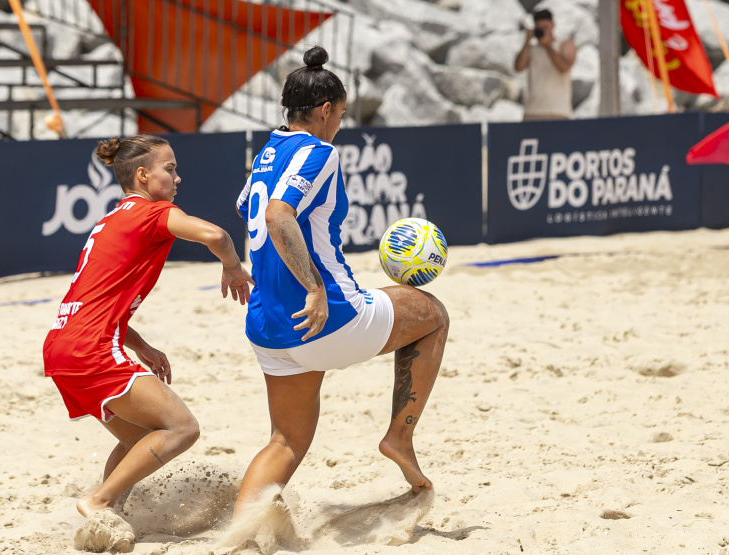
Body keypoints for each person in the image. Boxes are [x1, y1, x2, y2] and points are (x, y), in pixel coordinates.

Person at [233, 45, 449, 518]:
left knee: (285, 441)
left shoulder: (268, 150)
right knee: (433, 314)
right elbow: (276, 215)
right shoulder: (320, 151)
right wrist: (314, 288)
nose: (340, 124)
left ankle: (239, 533)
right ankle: (400, 438)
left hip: (269, 328)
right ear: (326, 110)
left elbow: (247, 208)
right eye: (342, 114)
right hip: (329, 318)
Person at [42, 135, 254, 532]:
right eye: (169, 169)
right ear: (142, 175)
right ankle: (98, 500)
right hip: (92, 349)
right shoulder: (152, 213)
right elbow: (218, 236)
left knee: (137, 439)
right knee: (182, 428)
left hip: (62, 345)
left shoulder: (109, 220)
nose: (177, 178)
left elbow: (100, 302)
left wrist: (142, 345)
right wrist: (232, 267)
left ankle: (106, 517)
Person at [513, 8, 577, 121]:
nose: (543, 31)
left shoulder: (564, 45)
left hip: (559, 112)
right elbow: (518, 67)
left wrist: (547, 46)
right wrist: (527, 41)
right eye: (539, 28)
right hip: (532, 112)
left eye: (545, 27)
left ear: (553, 25)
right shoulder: (531, 49)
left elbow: (564, 67)